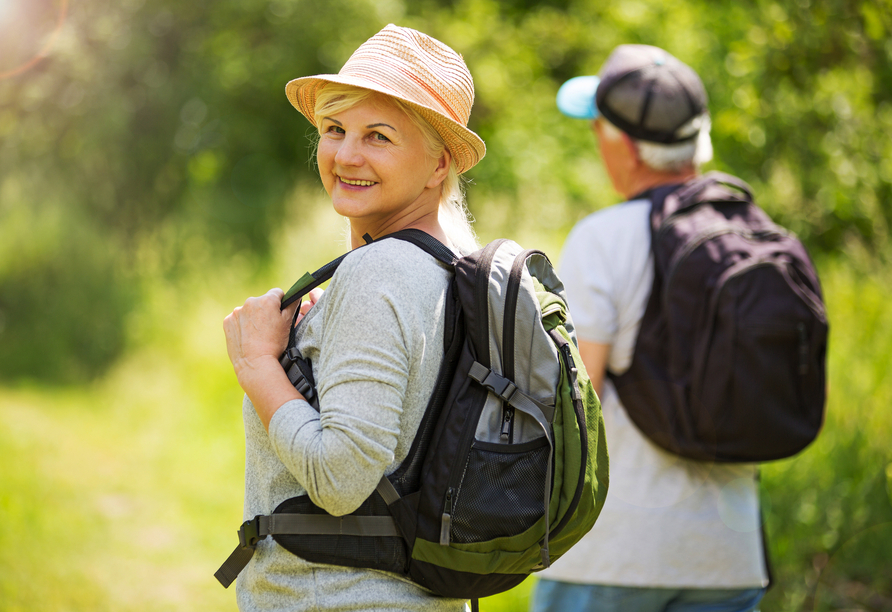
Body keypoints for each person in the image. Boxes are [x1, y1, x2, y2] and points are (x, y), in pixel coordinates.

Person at [222, 24, 485, 611]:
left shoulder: (381, 273)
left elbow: (340, 479)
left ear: (439, 162)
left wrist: (258, 364)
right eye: (335, 130)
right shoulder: (454, 267)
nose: (346, 155)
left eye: (379, 136)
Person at [530, 45, 769, 612]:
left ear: (623, 145)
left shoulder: (604, 236)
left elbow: (581, 396)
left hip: (616, 553)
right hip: (730, 555)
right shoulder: (754, 232)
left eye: (598, 129)